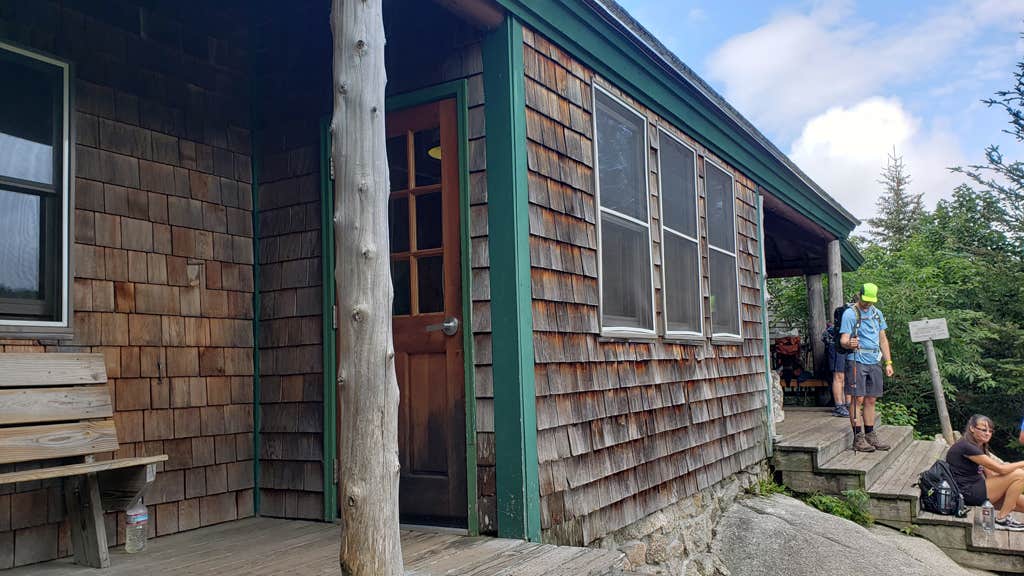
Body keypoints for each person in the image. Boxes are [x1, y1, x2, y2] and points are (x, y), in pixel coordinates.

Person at [839, 283, 893, 452]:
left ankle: (870, 434)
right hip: (856, 359)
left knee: (871, 399)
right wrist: (849, 343)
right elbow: (843, 340)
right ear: (860, 295)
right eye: (865, 300)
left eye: (870, 301)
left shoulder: (877, 314)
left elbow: (883, 339)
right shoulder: (850, 313)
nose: (867, 304)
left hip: (874, 360)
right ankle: (858, 437)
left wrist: (888, 362)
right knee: (858, 398)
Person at [946, 414, 1024, 530]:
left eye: (990, 431)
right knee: (1020, 474)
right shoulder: (966, 446)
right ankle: (1001, 519)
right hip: (967, 493)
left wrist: (1009, 485)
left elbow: (991, 474)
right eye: (983, 430)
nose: (988, 433)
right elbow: (1000, 469)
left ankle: (1008, 509)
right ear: (972, 428)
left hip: (978, 489)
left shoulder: (980, 447)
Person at [822, 313, 849, 417]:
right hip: (837, 347)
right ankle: (839, 406)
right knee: (839, 376)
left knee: (846, 377)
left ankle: (847, 404)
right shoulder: (848, 313)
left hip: (846, 347)